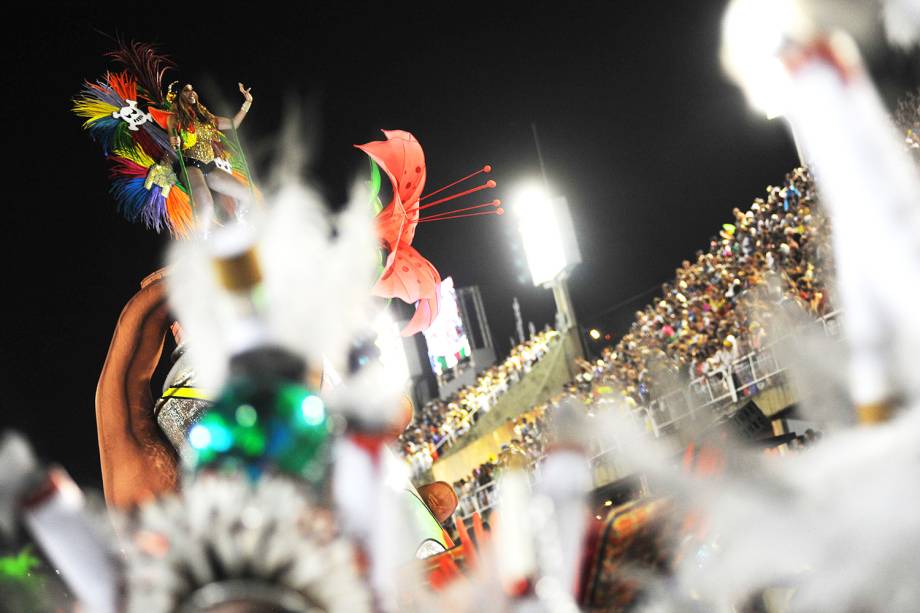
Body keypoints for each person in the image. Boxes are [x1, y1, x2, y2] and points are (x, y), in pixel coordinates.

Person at [167, 82, 254, 226]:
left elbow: (233, 123)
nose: (191, 93)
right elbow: (172, 138)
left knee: (246, 195)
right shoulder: (175, 118)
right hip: (190, 166)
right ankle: (201, 238)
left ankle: (241, 222)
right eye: (186, 91)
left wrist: (248, 102)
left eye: (192, 90)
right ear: (179, 97)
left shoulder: (208, 119)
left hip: (210, 166)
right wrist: (173, 140)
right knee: (206, 204)